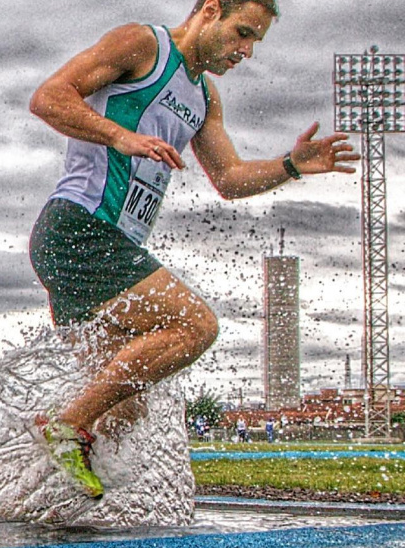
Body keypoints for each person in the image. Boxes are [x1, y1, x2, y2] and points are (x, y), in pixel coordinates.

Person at [27, 0, 359, 499]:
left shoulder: (205, 96)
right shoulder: (143, 46)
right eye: (242, 32)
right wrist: (122, 137)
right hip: (79, 227)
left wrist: (290, 165)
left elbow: (228, 178)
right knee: (194, 326)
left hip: (103, 245)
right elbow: (49, 98)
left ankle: (34, 492)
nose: (246, 50)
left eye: (255, 42)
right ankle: (62, 427)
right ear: (210, 11)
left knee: (127, 403)